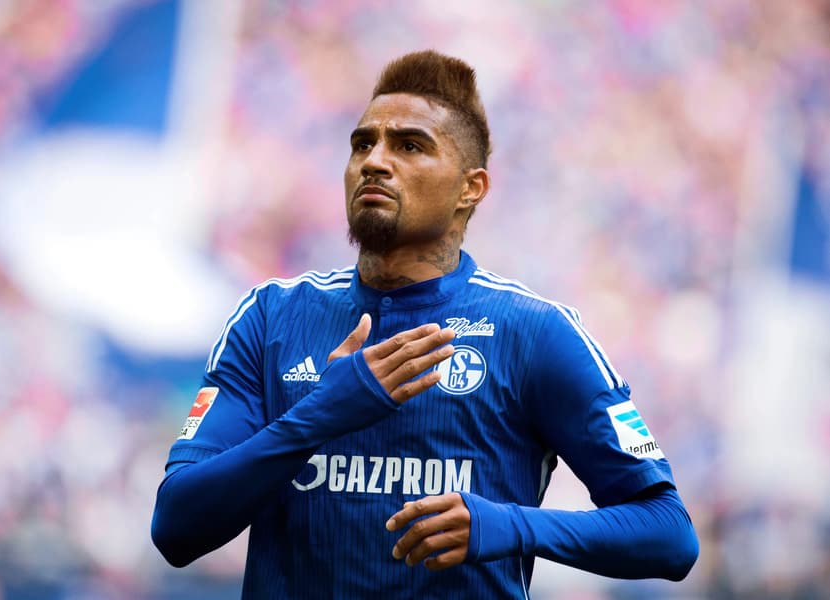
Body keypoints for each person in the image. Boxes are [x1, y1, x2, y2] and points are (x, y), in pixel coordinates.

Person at [151, 50, 698, 598]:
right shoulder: (270, 318)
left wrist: (512, 526)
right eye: (362, 144)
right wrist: (317, 417)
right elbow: (176, 527)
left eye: (409, 145)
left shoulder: (535, 333)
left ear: (471, 187)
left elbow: (669, 533)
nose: (375, 161)